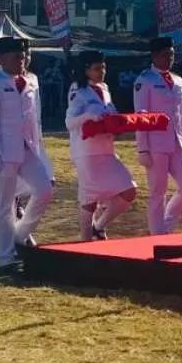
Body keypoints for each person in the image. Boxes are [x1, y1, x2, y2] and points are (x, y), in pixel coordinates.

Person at [0, 36, 54, 269]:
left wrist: (39, 149)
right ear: (0, 59)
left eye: (23, 56)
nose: (22, 60)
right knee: (5, 204)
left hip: (28, 147)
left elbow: (35, 118)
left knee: (44, 190)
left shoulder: (31, 80)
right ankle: (4, 257)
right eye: (16, 57)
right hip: (3, 151)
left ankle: (20, 236)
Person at [66, 50, 137, 240]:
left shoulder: (104, 88)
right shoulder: (77, 89)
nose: (102, 71)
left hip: (106, 150)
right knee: (89, 199)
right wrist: (89, 117)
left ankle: (99, 226)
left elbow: (109, 113)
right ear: (86, 70)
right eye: (97, 68)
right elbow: (69, 122)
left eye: (104, 67)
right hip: (86, 152)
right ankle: (85, 238)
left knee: (129, 190)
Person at [133, 36, 182, 235]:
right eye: (164, 55)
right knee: (157, 193)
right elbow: (140, 115)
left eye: (171, 54)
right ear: (153, 56)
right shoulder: (145, 80)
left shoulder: (178, 80)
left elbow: (181, 114)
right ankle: (157, 236)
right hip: (155, 144)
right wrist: (142, 148)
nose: (169, 58)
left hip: (177, 142)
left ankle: (166, 227)